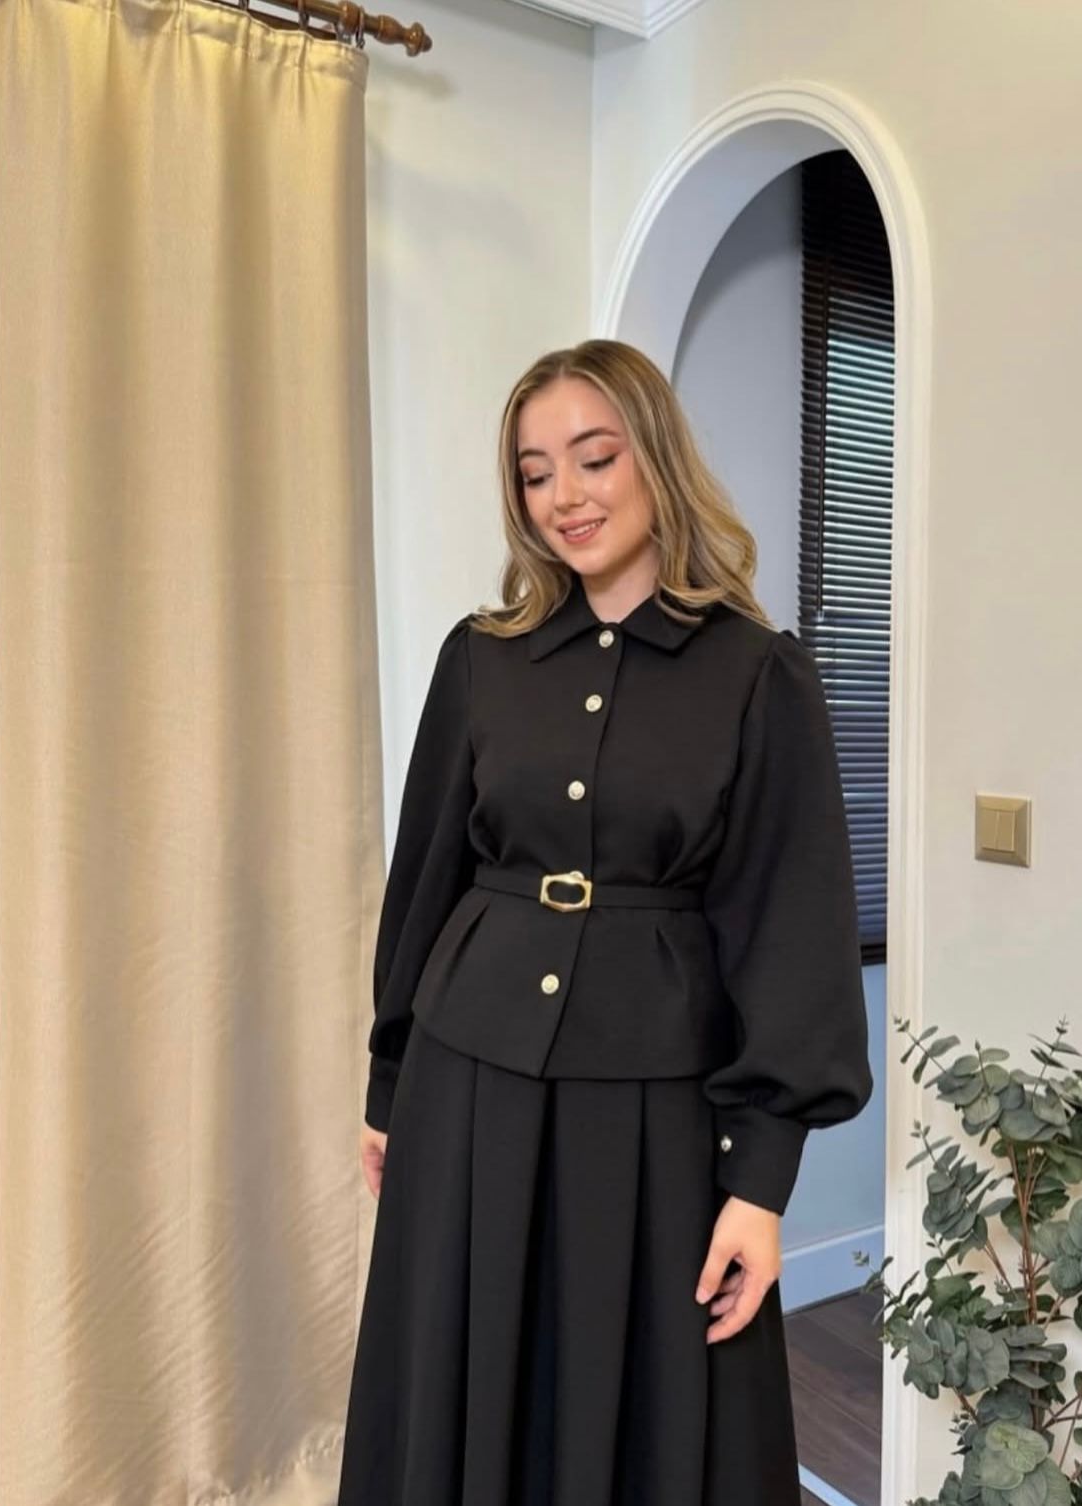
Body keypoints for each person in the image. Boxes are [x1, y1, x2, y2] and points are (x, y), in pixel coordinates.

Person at [336, 338, 874, 1506]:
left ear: (656, 459)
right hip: (467, 1081)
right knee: (461, 1378)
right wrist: (390, 1084)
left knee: (639, 1400)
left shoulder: (757, 675)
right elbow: (425, 881)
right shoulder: (482, 660)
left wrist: (761, 1186)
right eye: (535, 473)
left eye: (594, 458)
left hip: (652, 1108)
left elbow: (790, 930)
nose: (564, 497)